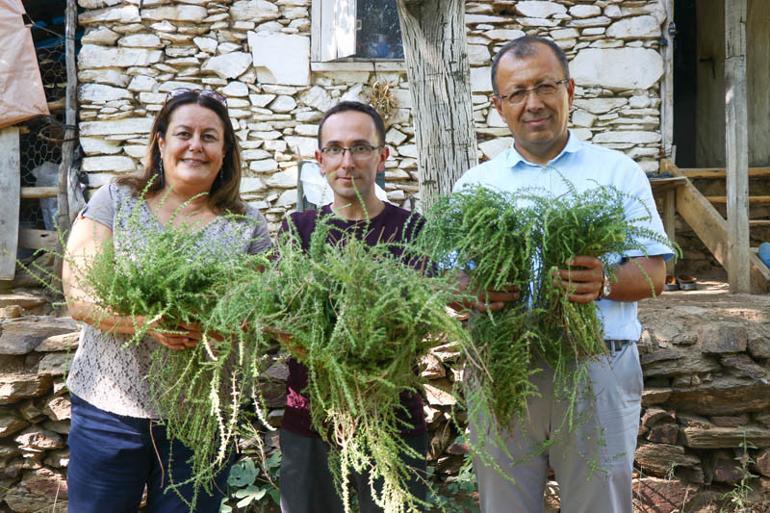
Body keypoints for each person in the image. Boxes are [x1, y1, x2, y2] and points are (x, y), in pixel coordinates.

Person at [453, 36, 672, 513]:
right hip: (502, 365)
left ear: (569, 90)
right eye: (517, 93)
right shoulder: (475, 185)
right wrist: (474, 292)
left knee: (599, 503)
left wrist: (606, 282)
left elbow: (658, 269)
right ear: (498, 106)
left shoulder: (617, 173)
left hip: (597, 361)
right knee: (504, 504)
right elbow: (451, 279)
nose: (533, 103)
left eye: (545, 86)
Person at [62, 88, 272, 513]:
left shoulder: (247, 224)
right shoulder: (116, 199)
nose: (196, 145)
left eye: (210, 136)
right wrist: (148, 322)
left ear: (225, 149)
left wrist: (219, 325)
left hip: (201, 422)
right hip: (109, 413)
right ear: (161, 142)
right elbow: (79, 297)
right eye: (184, 133)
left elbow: (262, 309)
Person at [278, 101, 427, 513]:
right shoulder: (299, 229)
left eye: (361, 148)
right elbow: (276, 315)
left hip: (393, 421)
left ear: (383, 157)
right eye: (336, 149)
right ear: (319, 158)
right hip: (310, 426)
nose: (348, 161)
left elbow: (419, 318)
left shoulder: (412, 231)